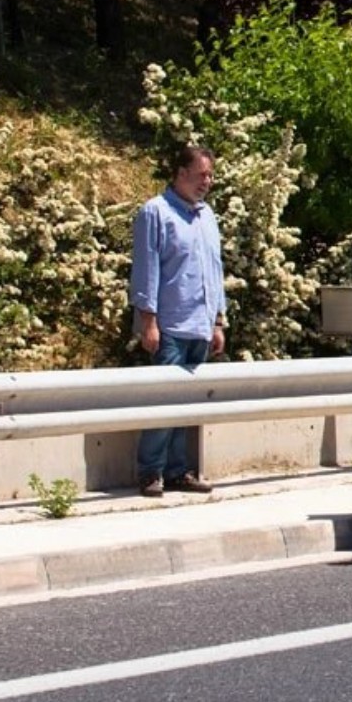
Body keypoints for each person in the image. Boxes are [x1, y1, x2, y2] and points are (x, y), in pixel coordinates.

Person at [128, 142, 226, 497]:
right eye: (201, 175)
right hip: (169, 325)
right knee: (164, 402)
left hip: (201, 324)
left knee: (188, 405)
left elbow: (215, 270)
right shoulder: (155, 212)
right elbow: (147, 270)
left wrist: (218, 321)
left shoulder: (207, 216)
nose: (207, 182)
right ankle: (150, 471)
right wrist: (148, 322)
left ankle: (178, 470)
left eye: (210, 176)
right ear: (181, 173)